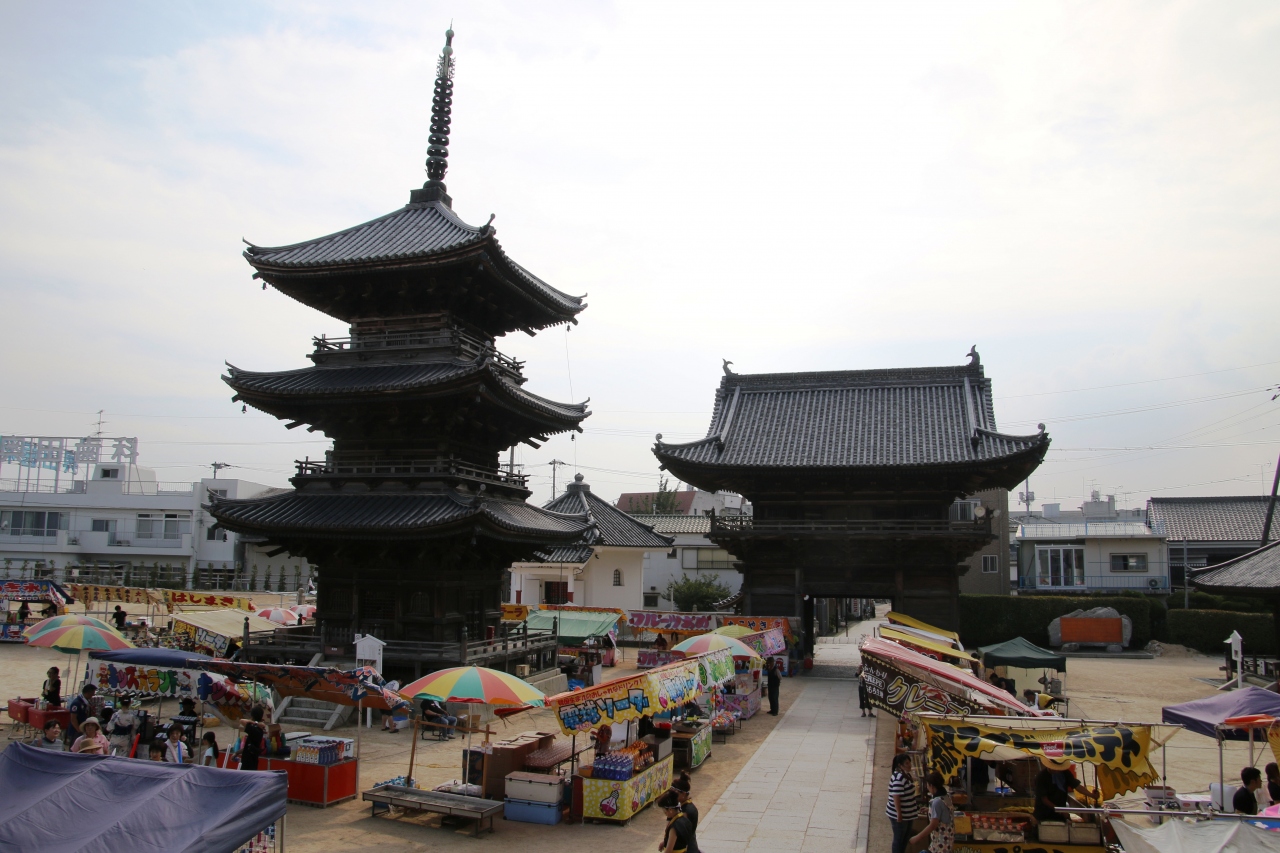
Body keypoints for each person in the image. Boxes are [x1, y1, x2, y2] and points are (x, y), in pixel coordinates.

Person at [911, 771, 954, 853]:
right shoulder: (946, 796)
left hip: (940, 844)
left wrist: (917, 837)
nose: (927, 787)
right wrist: (929, 809)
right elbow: (943, 811)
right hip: (948, 841)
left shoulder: (937, 802)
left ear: (932, 786)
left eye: (927, 785)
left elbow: (933, 825)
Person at [886, 753, 919, 853]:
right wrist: (899, 813)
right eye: (907, 763)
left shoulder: (906, 775)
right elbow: (896, 796)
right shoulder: (899, 778)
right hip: (900, 815)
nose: (909, 765)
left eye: (909, 763)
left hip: (908, 814)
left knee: (905, 838)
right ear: (900, 765)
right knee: (899, 839)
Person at [236, 705, 267, 770]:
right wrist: (237, 753)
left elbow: (241, 720)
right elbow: (248, 746)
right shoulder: (260, 729)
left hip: (248, 761)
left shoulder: (253, 728)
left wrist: (255, 723)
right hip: (254, 759)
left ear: (252, 716)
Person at [670, 771, 699, 839]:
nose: (672, 796)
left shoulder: (685, 812)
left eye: (674, 793)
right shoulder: (688, 806)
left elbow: (680, 834)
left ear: (683, 793)